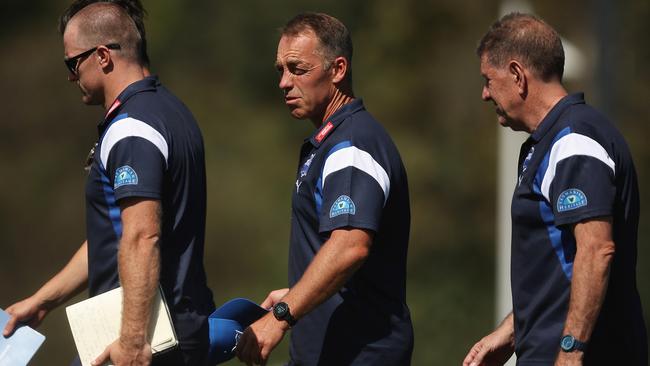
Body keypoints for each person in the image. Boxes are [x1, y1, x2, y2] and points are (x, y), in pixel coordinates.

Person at [2, 2, 215, 365]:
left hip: (143, 344)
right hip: (176, 332)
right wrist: (44, 300)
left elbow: (141, 236)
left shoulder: (132, 128)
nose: (71, 76)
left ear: (102, 56)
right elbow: (115, 238)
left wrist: (132, 341)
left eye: (72, 63)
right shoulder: (172, 111)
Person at [463, 12, 647, 366]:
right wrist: (513, 330)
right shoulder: (549, 143)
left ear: (517, 75)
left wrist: (571, 350)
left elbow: (596, 250)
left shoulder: (574, 142)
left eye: (489, 79)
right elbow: (559, 270)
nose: (485, 94)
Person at [236, 12, 413, 365]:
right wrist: (300, 292)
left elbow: (350, 246)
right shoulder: (333, 142)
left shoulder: (351, 146)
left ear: (338, 70)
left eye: (297, 69)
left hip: (359, 354)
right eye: (280, 70)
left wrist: (281, 315)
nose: (284, 82)